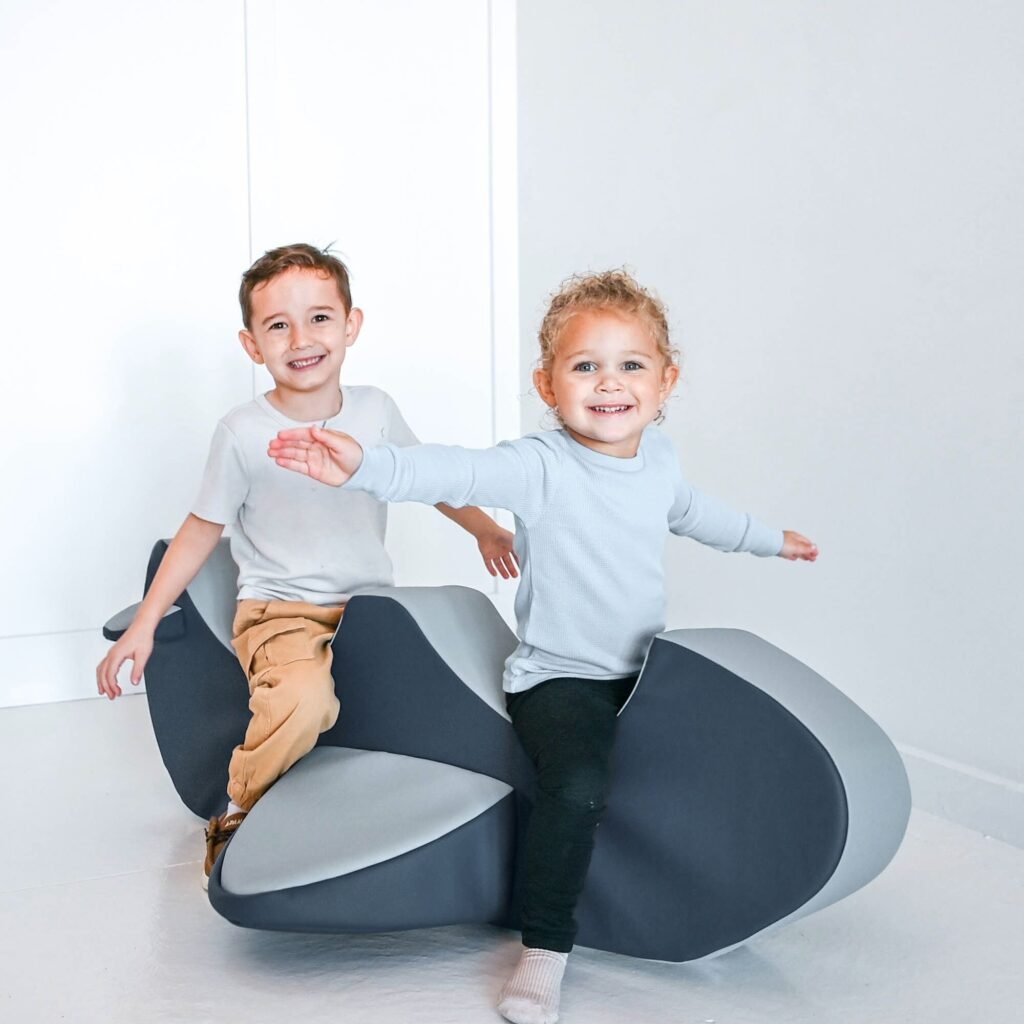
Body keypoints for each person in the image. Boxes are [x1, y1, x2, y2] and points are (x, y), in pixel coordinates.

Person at [267, 269, 818, 1024]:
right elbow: (456, 467)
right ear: (548, 385)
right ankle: (546, 947)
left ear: (665, 380)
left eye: (630, 364)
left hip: (648, 671)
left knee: (727, 747)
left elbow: (697, 513)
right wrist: (367, 465)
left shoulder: (659, 461)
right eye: (585, 365)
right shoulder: (541, 466)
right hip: (562, 679)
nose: (609, 383)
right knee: (578, 786)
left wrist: (770, 540)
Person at [96, 243, 517, 884]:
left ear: (351, 325)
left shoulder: (375, 410)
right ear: (251, 345)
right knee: (302, 700)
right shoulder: (242, 432)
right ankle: (237, 808)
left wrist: (485, 528)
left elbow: (424, 476)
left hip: (371, 608)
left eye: (319, 318)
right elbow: (201, 527)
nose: (301, 339)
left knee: (446, 692)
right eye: (278, 325)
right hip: (281, 611)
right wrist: (147, 622)